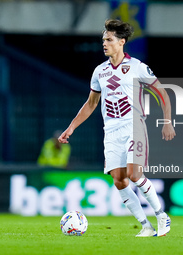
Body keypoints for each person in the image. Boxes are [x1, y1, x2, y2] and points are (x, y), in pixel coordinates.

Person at [59, 19, 176, 237]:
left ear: (121, 42)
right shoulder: (99, 71)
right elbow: (91, 103)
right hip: (111, 131)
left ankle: (161, 215)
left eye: (109, 40)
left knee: (134, 174)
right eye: (103, 40)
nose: (104, 43)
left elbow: (162, 94)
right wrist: (71, 127)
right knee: (119, 179)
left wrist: (167, 121)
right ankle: (145, 225)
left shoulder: (137, 67)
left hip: (134, 125)